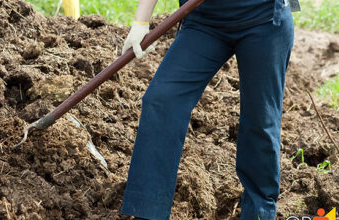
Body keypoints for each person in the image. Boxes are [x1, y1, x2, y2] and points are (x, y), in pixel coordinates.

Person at [120, 0, 300, 219]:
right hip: (203, 22)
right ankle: (147, 210)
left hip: (263, 21)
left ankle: (259, 212)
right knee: (162, 100)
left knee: (260, 122)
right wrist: (141, 20)